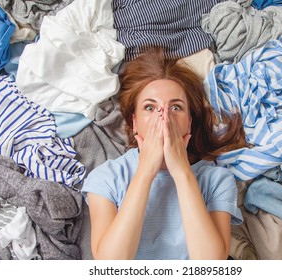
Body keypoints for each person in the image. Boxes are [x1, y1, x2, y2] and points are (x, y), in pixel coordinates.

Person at [81, 48, 246, 260]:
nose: (163, 117)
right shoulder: (106, 178)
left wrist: (182, 172)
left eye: (176, 108)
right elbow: (111, 265)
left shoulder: (217, 180)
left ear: (189, 122)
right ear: (134, 122)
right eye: (150, 107)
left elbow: (211, 266)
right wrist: (145, 172)